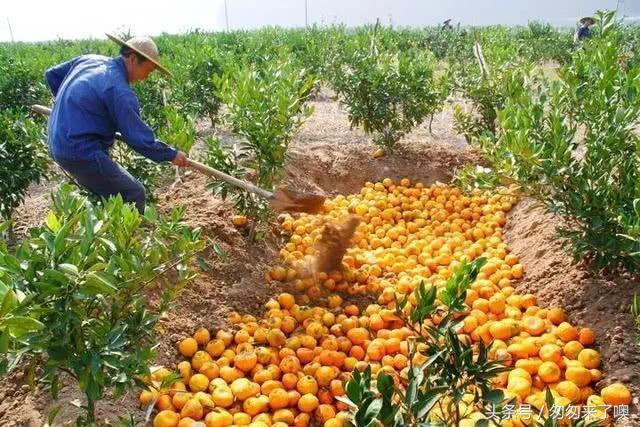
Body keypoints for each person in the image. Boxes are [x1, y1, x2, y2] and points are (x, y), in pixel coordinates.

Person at [45, 33, 188, 213]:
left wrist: (73, 109)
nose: (146, 78)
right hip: (79, 151)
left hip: (56, 140)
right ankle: (129, 239)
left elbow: (52, 75)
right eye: (149, 71)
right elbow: (138, 138)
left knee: (110, 191)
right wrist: (171, 154)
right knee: (133, 193)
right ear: (133, 59)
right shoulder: (119, 91)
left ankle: (105, 227)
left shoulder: (89, 60)